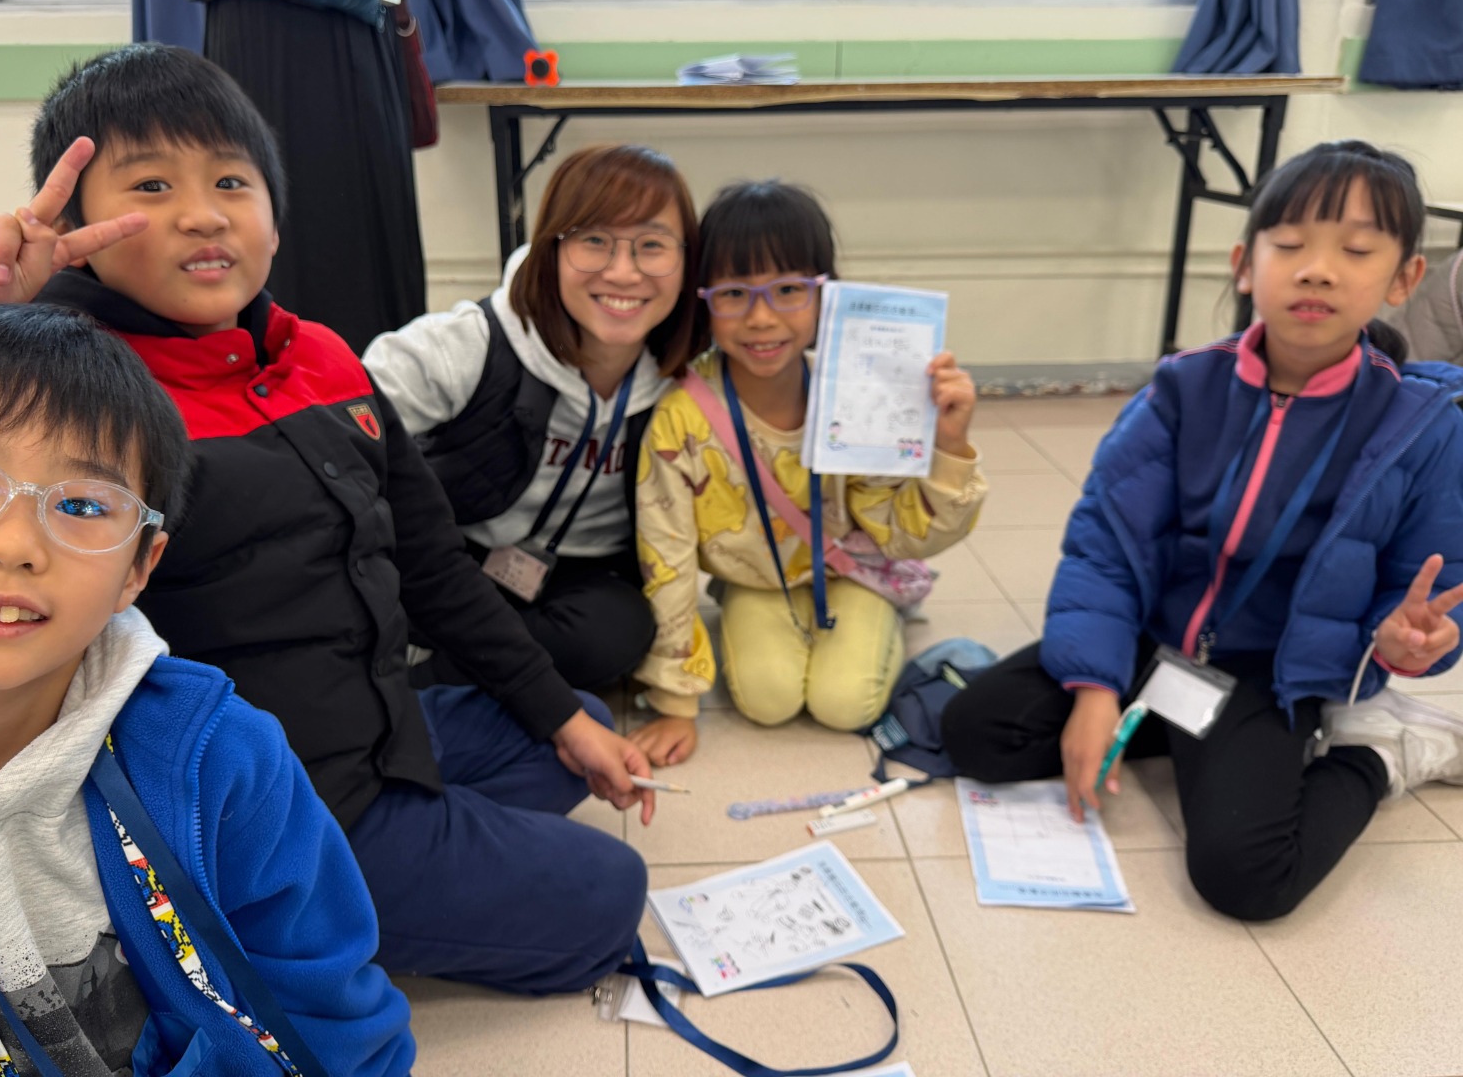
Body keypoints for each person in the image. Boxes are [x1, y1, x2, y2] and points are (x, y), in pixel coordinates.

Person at [0, 43, 652, 995]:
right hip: (262, 803)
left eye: (231, 181)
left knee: (571, 722)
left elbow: (432, 566)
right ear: (76, 225)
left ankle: (404, 867)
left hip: (377, 719)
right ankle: (272, 914)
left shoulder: (319, 355)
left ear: (275, 221)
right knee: (610, 897)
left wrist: (559, 721)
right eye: (152, 185)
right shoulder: (71, 393)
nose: (203, 214)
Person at [0, 304, 414, 1075]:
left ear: (139, 568)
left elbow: (333, 1019)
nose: (13, 545)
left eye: (83, 505)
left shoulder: (220, 757)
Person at [942, 140, 1463, 922]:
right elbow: (1105, 547)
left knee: (1247, 880)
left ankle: (1377, 753)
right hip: (1156, 642)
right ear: (1246, 265)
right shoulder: (1182, 390)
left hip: (1269, 669)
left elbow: (1428, 592)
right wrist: (1095, 691)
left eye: (1356, 251)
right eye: (1291, 245)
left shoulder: (1420, 426)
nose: (1318, 270)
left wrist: (1404, 644)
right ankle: (1182, 728)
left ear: (1404, 278)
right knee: (977, 732)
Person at [629, 180, 989, 766]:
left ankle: (888, 609)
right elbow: (665, 561)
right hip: (755, 578)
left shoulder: (856, 395)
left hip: (850, 568)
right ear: (703, 300)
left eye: (789, 289)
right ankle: (765, 610)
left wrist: (949, 446)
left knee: (845, 704)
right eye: (734, 293)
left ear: (827, 294)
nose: (761, 317)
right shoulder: (680, 418)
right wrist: (676, 701)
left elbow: (907, 536)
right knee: (767, 699)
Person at [363, 145, 705, 692]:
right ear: (553, 247)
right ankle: (483, 675)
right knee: (379, 583)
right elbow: (341, 427)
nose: (624, 272)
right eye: (594, 240)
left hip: (585, 573)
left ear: (687, 261)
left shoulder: (691, 377)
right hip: (455, 555)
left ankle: (432, 676)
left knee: (614, 636)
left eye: (652, 245)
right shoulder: (473, 343)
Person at [162, 0, 446, 352]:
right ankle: (346, 392)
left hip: (242, 15)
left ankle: (277, 388)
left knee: (265, 225)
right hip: (317, 12)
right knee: (341, 243)